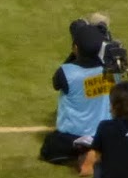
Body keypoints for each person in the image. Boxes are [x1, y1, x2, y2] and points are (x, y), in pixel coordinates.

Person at [41, 18, 116, 165]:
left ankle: (85, 152)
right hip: (103, 135)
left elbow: (57, 83)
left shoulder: (65, 73)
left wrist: (75, 51)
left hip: (73, 136)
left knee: (49, 147)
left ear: (75, 48)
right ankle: (97, 150)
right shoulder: (111, 70)